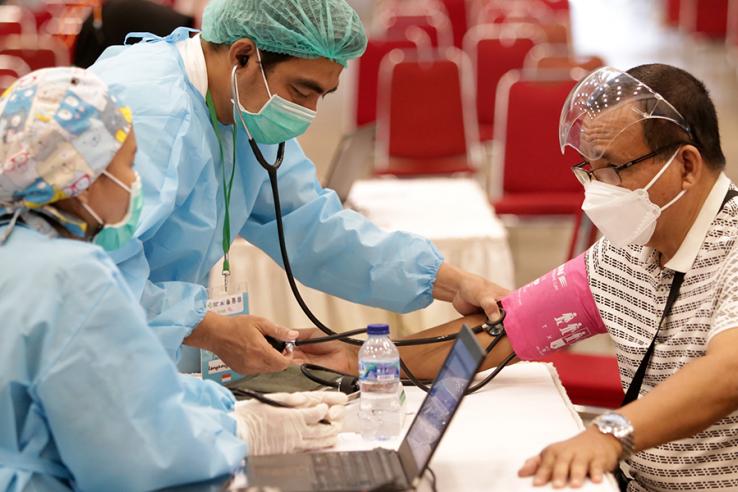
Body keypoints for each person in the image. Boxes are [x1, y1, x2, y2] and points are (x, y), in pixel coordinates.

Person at [300, 64, 738, 491]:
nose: (599, 189)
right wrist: (365, 360)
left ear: (686, 166)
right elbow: (507, 327)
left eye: (614, 171)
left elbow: (728, 370)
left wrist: (608, 433)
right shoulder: (628, 251)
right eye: (591, 171)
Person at [86, 0, 506, 378]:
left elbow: (313, 226)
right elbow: (93, 272)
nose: (308, 113)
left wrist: (451, 283)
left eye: (323, 95)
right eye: (301, 91)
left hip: (142, 352)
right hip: (86, 349)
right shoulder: (151, 114)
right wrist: (210, 329)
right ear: (244, 54)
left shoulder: (241, 106)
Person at [0, 67, 346, 491]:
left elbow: (119, 396)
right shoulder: (73, 278)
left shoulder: (17, 250)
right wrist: (242, 433)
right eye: (127, 166)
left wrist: (221, 410)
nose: (135, 182)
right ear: (82, 182)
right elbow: (137, 457)